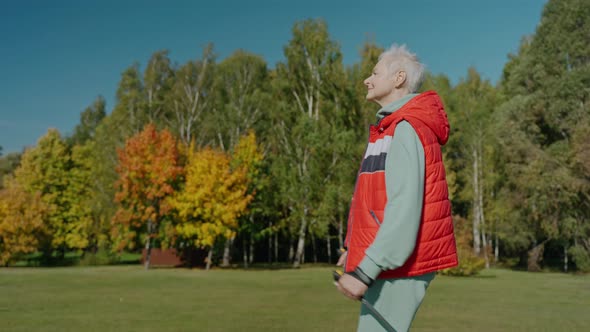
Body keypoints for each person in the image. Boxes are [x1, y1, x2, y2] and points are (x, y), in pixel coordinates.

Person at [335, 44, 458, 332]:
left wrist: (367, 268)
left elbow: (404, 208)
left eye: (375, 72)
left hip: (402, 264)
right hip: (393, 261)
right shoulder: (390, 129)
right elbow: (374, 201)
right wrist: (353, 247)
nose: (367, 79)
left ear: (398, 78)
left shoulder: (406, 128)